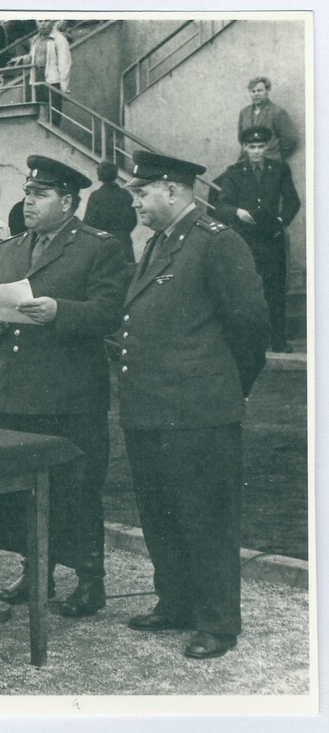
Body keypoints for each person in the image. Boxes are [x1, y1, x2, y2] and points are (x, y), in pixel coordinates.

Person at [121, 150, 270, 659]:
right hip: (151, 407)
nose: (135, 200)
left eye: (142, 192)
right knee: (161, 514)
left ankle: (218, 622)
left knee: (205, 517)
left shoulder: (216, 242)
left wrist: (226, 386)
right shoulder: (160, 243)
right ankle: (176, 603)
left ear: (174, 190)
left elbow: (251, 326)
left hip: (199, 411)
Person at [0, 155, 128, 619]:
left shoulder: (99, 247)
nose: (29, 201)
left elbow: (110, 312)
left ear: (67, 201)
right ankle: (35, 572)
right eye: (27, 193)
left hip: (70, 395)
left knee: (77, 487)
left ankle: (89, 579)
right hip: (16, 391)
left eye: (40, 195)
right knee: (24, 488)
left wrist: (60, 311)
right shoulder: (10, 248)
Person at [212, 126, 300, 353]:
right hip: (245, 241)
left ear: (266, 147)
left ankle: (279, 341)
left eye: (261, 147)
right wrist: (236, 212)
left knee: (275, 291)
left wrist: (281, 221)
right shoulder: (233, 172)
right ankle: (247, 342)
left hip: (271, 239)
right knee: (245, 291)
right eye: (252, 147)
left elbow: (293, 201)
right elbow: (221, 205)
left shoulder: (279, 169)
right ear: (245, 148)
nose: (257, 151)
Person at [8, 20, 71, 127]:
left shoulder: (59, 39)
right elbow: (34, 56)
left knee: (54, 114)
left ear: (51, 22)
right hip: (37, 77)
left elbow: (65, 63)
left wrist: (63, 86)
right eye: (40, 21)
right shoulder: (36, 39)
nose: (42, 24)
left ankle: (53, 136)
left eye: (46, 21)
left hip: (52, 80)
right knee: (40, 111)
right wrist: (22, 59)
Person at [83, 161, 138, 264]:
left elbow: (87, 223)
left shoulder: (95, 196)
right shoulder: (125, 194)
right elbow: (133, 221)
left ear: (99, 176)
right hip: (123, 244)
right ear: (116, 175)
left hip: (101, 244)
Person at [237, 76, 298, 161]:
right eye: (253, 91)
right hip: (247, 161)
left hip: (270, 161)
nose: (256, 94)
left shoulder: (277, 112)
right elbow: (241, 137)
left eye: (259, 90)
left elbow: (290, 139)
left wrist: (274, 154)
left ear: (267, 91)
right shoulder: (244, 112)